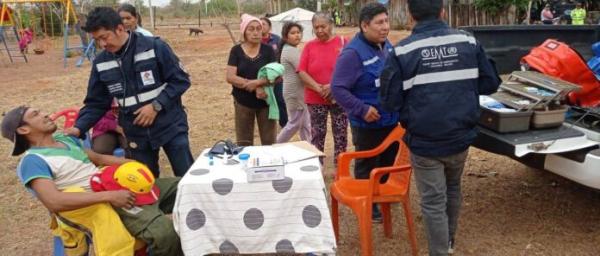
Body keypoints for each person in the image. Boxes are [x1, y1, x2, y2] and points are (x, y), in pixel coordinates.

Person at [379, 0, 501, 255]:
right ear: (442, 11)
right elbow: (490, 83)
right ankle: (448, 242)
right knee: (453, 187)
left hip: (424, 141)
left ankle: (440, 250)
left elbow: (390, 101)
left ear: (410, 15)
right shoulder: (468, 42)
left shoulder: (402, 51)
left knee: (433, 200)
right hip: (461, 136)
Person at [1, 106, 183, 255]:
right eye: (36, 114)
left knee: (184, 186)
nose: (45, 113)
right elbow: (54, 201)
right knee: (165, 234)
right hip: (102, 202)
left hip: (114, 184)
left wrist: (132, 164)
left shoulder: (65, 140)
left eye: (40, 110)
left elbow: (99, 159)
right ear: (24, 129)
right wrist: (109, 196)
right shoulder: (32, 161)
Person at [65, 7, 194, 178]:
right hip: (135, 132)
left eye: (104, 37)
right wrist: (78, 127)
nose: (102, 44)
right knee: (144, 179)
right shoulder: (101, 63)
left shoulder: (154, 47)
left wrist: (156, 106)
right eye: (97, 40)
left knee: (186, 175)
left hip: (170, 124)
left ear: (120, 28)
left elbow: (180, 80)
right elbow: (96, 103)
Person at [331, 2, 398, 223]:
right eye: (379, 23)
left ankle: (380, 197)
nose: (385, 27)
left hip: (390, 120)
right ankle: (368, 204)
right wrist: (362, 109)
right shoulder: (352, 53)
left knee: (388, 162)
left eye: (386, 21)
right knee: (368, 164)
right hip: (367, 123)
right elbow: (338, 88)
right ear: (364, 25)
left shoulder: (386, 45)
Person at [298, 12, 348, 166]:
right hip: (315, 98)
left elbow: (350, 68)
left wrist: (333, 86)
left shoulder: (343, 42)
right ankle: (316, 166)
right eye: (316, 27)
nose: (320, 30)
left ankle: (340, 168)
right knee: (317, 134)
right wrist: (318, 88)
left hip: (339, 96)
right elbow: (301, 71)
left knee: (340, 134)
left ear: (331, 25)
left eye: (323, 26)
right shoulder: (309, 46)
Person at [226, 14, 277, 146]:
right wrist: (254, 86)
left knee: (269, 143)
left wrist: (257, 83)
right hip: (243, 102)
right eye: (251, 29)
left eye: (258, 29)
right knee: (244, 143)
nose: (255, 32)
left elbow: (277, 75)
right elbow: (230, 77)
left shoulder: (268, 50)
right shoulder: (236, 51)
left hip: (266, 102)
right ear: (244, 32)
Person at [276, 22, 311, 143]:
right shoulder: (291, 51)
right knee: (295, 123)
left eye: (298, 32)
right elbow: (303, 70)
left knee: (305, 124)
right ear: (286, 36)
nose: (297, 35)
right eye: (293, 33)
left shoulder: (290, 49)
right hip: (295, 93)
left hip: (298, 92)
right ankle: (276, 144)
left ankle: (310, 148)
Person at [260, 16, 288, 128]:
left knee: (280, 100)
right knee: (264, 101)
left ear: (269, 27)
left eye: (263, 24)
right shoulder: (255, 41)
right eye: (259, 24)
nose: (261, 27)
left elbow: (282, 55)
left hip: (277, 77)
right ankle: (268, 125)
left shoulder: (277, 40)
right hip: (262, 78)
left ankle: (285, 124)